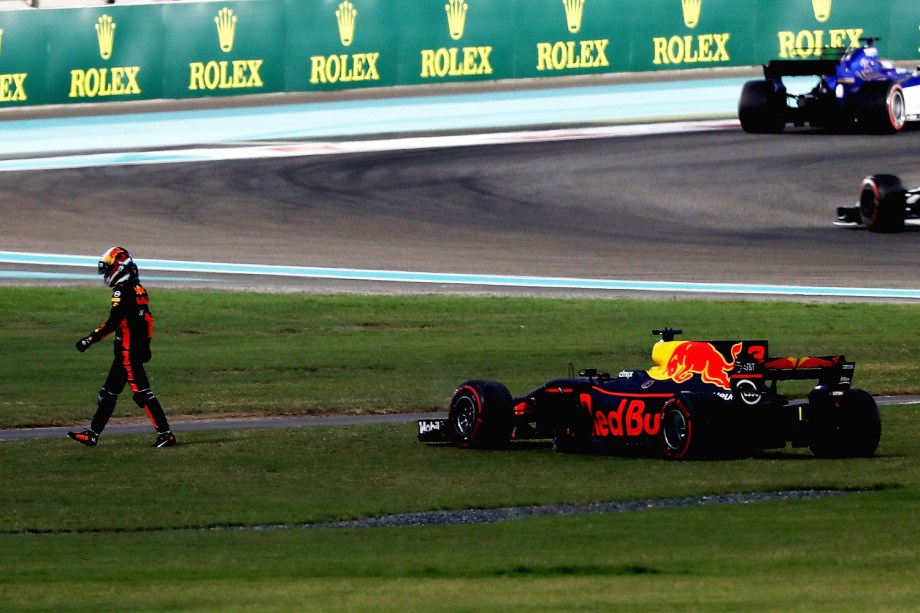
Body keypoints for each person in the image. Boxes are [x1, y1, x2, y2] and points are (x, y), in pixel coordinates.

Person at [68, 247, 176, 448]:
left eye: (108, 269)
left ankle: (166, 434)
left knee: (142, 393)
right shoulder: (139, 289)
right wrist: (146, 345)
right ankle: (93, 434)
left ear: (118, 268)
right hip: (129, 351)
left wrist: (90, 339)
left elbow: (113, 323)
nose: (106, 274)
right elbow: (147, 320)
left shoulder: (122, 290)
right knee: (108, 392)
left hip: (127, 352)